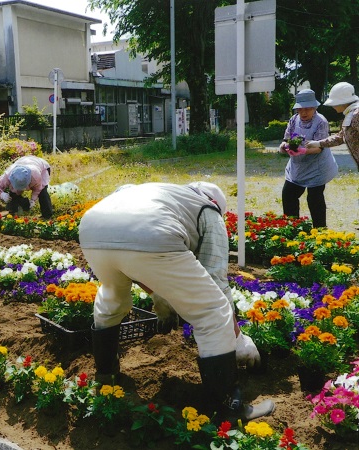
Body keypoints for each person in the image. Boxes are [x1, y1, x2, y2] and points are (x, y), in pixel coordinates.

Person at [78, 182, 275, 421]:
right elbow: (215, 282)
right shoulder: (208, 211)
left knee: (112, 298)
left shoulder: (160, 193)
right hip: (152, 233)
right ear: (217, 204)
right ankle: (229, 408)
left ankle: (105, 376)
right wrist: (238, 337)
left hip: (92, 229)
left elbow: (132, 260)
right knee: (212, 313)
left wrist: (158, 293)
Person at [277, 89, 338, 228]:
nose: (303, 113)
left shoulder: (321, 121)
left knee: (314, 199)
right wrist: (284, 146)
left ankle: (320, 232)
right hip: (297, 166)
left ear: (315, 107)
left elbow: (319, 147)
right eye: (300, 109)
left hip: (317, 167)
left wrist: (302, 150)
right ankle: (293, 229)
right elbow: (287, 139)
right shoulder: (294, 119)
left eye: (307, 109)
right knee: (288, 195)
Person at [306, 82, 359, 170]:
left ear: (343, 102)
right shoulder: (351, 114)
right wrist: (318, 143)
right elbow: (341, 137)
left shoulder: (356, 114)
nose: (332, 106)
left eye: (334, 103)